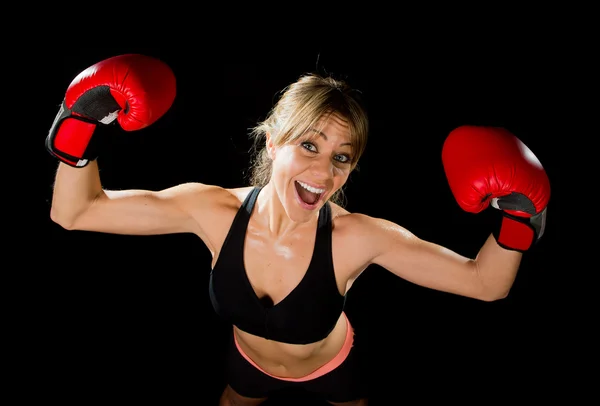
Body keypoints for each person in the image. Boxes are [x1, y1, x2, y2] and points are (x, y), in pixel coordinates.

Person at [46, 54, 551, 406]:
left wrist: (520, 219)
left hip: (334, 366)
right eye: (309, 146)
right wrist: (79, 125)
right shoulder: (212, 210)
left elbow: (486, 284)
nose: (324, 173)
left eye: (341, 158)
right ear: (271, 143)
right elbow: (78, 212)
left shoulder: (356, 237)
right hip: (247, 361)